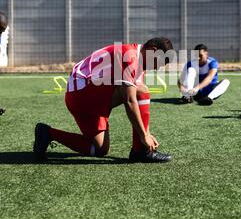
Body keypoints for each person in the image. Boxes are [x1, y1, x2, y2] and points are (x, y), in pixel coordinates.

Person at [33, 37, 175, 163]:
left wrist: (147, 132)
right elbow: (130, 100)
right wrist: (144, 136)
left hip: (82, 98)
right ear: (152, 50)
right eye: (158, 63)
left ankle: (47, 133)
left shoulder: (136, 57)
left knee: (99, 149)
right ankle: (140, 152)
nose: (156, 68)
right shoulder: (129, 56)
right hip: (82, 96)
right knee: (140, 90)